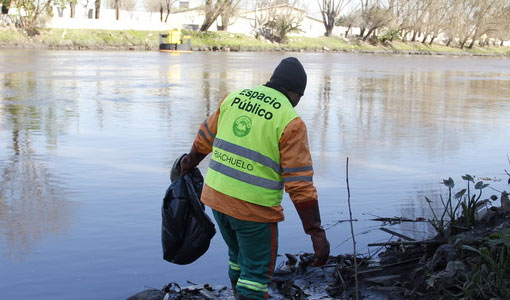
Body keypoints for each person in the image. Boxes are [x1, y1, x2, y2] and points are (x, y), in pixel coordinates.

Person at [179, 57, 330, 300]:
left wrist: (190, 161)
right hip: (254, 211)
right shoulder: (290, 121)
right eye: (299, 98)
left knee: (238, 258)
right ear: (295, 92)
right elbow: (299, 183)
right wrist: (316, 232)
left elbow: (205, 135)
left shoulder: (235, 98)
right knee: (256, 277)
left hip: (217, 199)